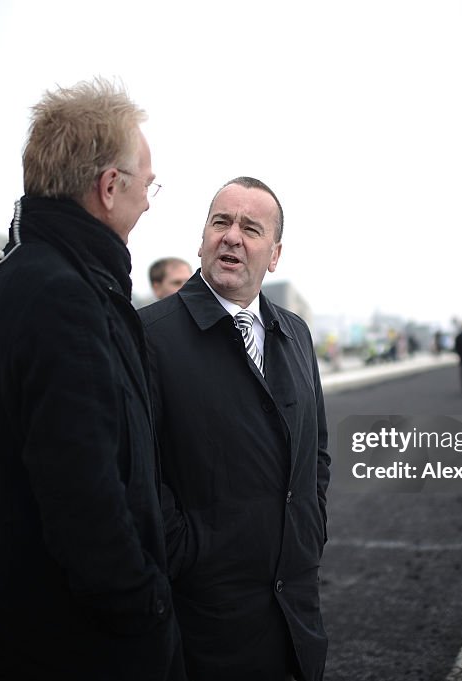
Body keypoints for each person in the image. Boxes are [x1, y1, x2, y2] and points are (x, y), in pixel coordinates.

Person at [0, 79, 183, 680]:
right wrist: (143, 602)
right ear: (108, 187)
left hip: (12, 621)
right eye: (147, 183)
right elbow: (82, 488)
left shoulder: (7, 276)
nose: (149, 201)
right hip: (70, 640)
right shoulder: (64, 295)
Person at [139, 177, 330, 681]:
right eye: (220, 222)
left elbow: (318, 453)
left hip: (296, 605)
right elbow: (136, 472)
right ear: (201, 238)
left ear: (275, 254)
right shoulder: (149, 337)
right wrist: (190, 555)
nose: (232, 237)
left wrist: (310, 531)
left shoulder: (296, 334)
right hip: (206, 616)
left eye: (251, 228)